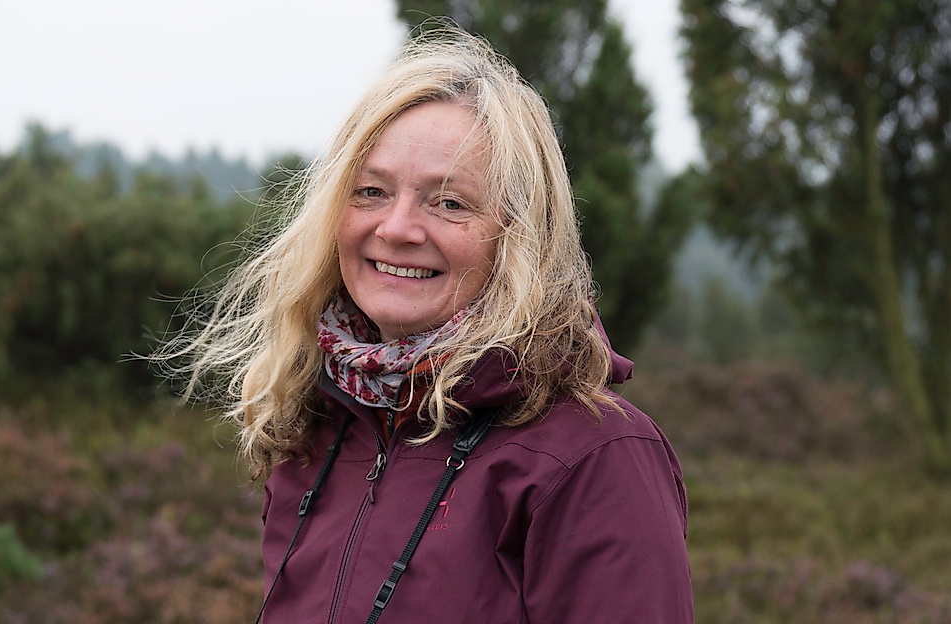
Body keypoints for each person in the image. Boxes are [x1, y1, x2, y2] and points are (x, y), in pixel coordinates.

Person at [159, 28, 693, 623]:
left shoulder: (596, 456)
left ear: (519, 235)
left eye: (449, 202)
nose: (396, 228)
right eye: (371, 191)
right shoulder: (316, 429)